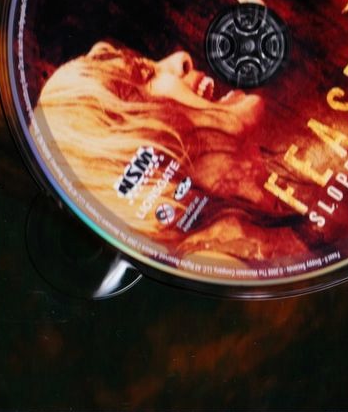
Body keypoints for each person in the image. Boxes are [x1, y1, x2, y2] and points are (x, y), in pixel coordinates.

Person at [33, 41, 312, 273]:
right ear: (141, 146)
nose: (181, 59)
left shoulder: (251, 232)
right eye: (146, 74)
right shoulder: (220, 266)